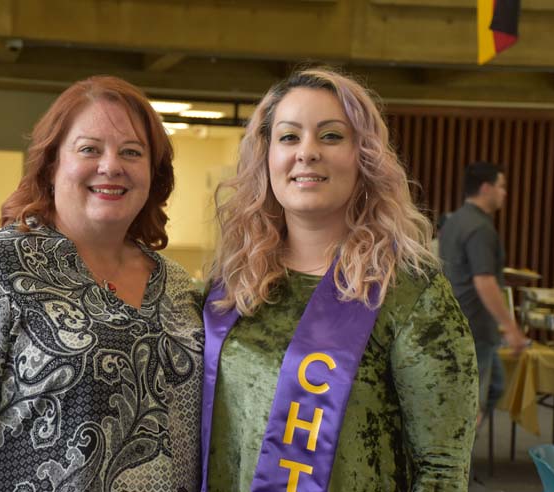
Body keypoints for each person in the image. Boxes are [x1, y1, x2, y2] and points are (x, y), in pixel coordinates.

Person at [0, 76, 203, 491]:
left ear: (152, 172)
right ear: (51, 165)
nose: (111, 166)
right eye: (89, 149)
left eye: (132, 152)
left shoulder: (177, 286)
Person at [201, 68, 478, 492]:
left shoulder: (408, 292)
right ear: (267, 156)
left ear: (363, 156)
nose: (307, 152)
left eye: (331, 136)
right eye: (289, 137)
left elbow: (441, 471)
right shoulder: (235, 280)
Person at [439, 161, 528, 428]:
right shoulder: (480, 228)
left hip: (455, 321)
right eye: (501, 187)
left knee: (493, 387)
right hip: (475, 327)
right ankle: (457, 465)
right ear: (486, 188)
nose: (505, 193)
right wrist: (511, 328)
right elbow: (485, 281)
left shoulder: (453, 222)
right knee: (470, 407)